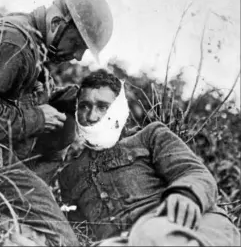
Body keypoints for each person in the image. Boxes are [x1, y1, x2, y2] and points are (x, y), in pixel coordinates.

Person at [0, 0, 113, 246]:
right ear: (56, 24)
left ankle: (2, 217)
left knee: (63, 132)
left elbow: (5, 99)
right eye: (76, 43)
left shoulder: (29, 39)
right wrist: (38, 117)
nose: (77, 57)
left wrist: (59, 102)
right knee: (62, 242)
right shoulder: (14, 42)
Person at [58, 70, 240, 246]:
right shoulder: (69, 175)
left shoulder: (150, 136)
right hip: (125, 240)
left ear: (119, 110)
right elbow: (74, 225)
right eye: (84, 106)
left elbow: (195, 173)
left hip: (182, 224)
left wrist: (186, 194)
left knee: (151, 233)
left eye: (102, 107)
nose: (91, 116)